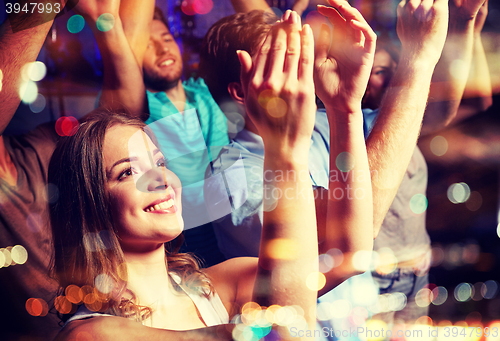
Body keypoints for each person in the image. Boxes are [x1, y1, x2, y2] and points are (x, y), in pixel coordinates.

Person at [49, 11, 373, 340]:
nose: (161, 179)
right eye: (128, 171)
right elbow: (282, 332)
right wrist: (283, 152)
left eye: (159, 163)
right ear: (87, 202)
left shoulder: (217, 286)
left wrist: (344, 108)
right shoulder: (90, 333)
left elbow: (348, 253)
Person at [201, 0, 449, 339]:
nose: (301, 67)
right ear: (241, 90)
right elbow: (356, 227)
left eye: (296, 54)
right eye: (282, 60)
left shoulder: (320, 124)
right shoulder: (231, 177)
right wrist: (418, 56)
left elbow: (407, 125)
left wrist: (464, 22)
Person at [364, 0, 492, 329]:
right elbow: (444, 111)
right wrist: (462, 24)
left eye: (393, 67)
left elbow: (475, 99)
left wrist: (469, 25)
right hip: (373, 279)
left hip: (414, 272)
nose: (392, 78)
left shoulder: (403, 124)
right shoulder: (363, 125)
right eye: (379, 72)